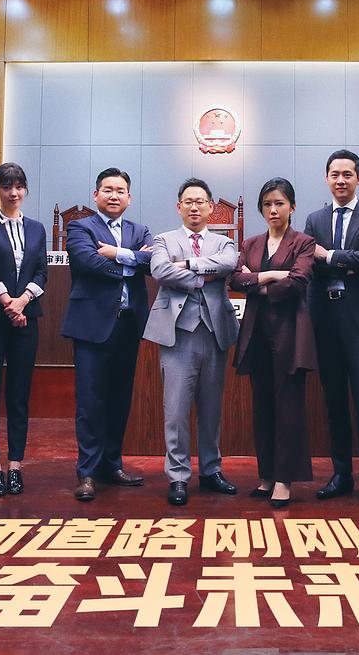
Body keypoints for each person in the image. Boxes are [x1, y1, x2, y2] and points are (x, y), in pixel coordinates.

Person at [145, 178, 241, 506]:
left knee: (211, 408)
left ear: (211, 207)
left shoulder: (224, 242)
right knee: (175, 411)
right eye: (188, 201)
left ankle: (211, 470)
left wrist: (187, 265)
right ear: (179, 207)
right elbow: (160, 271)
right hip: (177, 334)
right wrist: (203, 278)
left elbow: (229, 264)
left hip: (214, 332)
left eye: (200, 201)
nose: (195, 207)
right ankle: (178, 476)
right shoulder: (163, 239)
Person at [62, 167, 153, 502]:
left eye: (120, 191)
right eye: (108, 190)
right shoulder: (80, 227)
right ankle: (86, 472)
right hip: (92, 326)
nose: (114, 196)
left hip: (128, 325)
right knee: (90, 401)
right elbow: (87, 262)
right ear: (96, 195)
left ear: (129, 197)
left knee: (119, 398)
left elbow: (152, 263)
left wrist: (117, 255)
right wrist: (133, 261)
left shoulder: (139, 229)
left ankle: (111, 465)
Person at [304, 149, 359, 513]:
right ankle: (341, 475)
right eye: (335, 174)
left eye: (347, 174)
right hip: (326, 321)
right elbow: (308, 264)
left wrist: (330, 256)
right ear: (327, 178)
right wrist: (351, 259)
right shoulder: (314, 219)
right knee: (334, 403)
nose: (341, 180)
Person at [230, 178, 317, 507]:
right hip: (256, 334)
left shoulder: (303, 242)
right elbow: (236, 279)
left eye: (280, 203)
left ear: (292, 207)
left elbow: (299, 280)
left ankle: (284, 480)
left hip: (290, 334)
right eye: (267, 204)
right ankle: (266, 476)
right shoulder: (251, 243)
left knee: (288, 408)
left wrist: (257, 283)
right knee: (262, 407)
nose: (273, 209)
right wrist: (270, 276)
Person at [0, 163, 47, 497]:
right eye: (6, 187)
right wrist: (7, 303)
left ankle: (15, 464)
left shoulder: (37, 228)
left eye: (18, 186)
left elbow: (42, 272)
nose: (13, 193)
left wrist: (23, 301)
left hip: (26, 320)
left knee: (19, 394)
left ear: (25, 189)